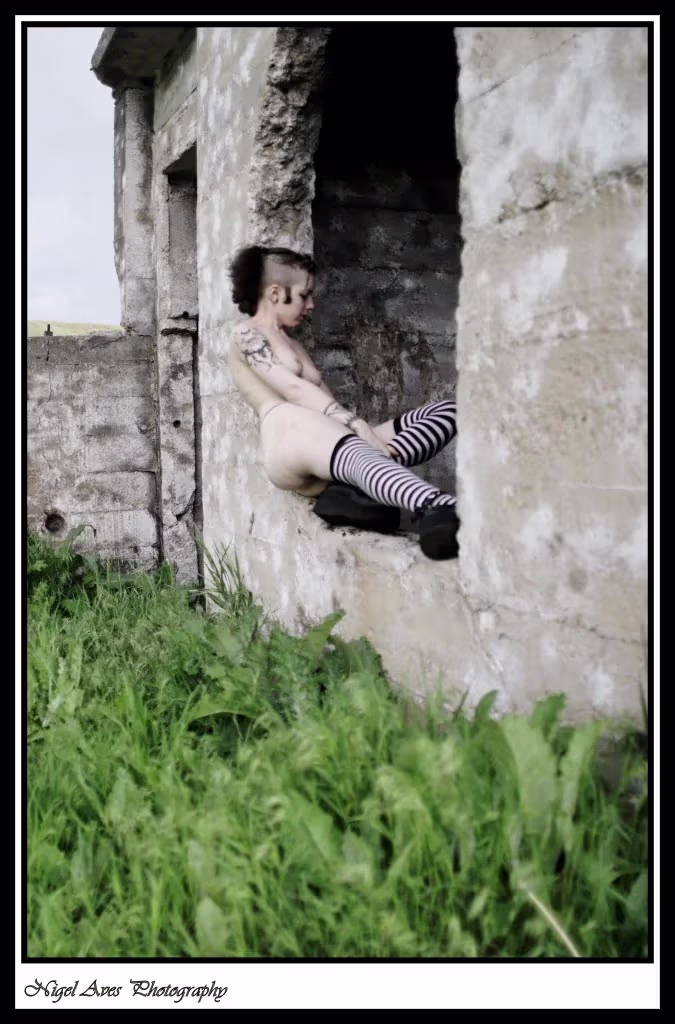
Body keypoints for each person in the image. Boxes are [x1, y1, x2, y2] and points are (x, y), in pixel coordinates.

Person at [227, 245, 459, 559]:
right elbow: (293, 389)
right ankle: (435, 506)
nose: (311, 304)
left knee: (447, 411)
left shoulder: (294, 345)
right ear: (276, 293)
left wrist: (367, 438)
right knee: (352, 440)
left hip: (328, 443)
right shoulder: (246, 334)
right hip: (287, 436)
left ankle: (355, 489)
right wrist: (359, 426)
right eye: (305, 294)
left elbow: (325, 402)